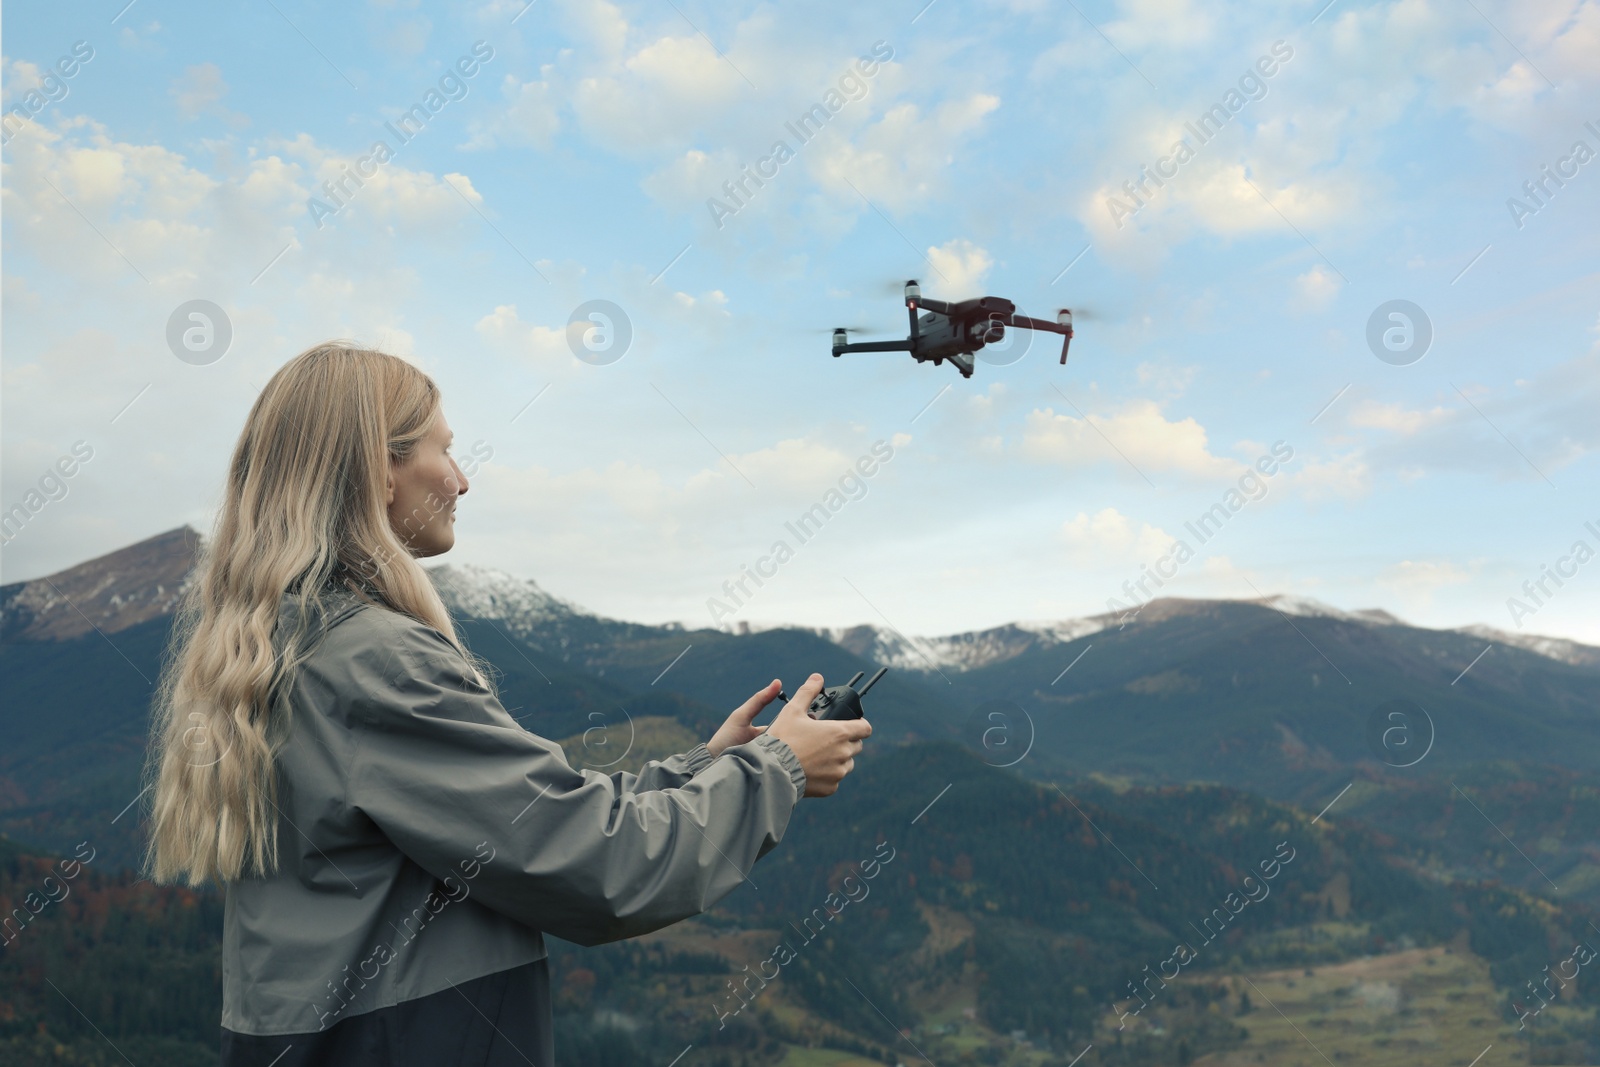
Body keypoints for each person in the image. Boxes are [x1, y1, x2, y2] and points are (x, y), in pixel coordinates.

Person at [139, 341, 874, 1066]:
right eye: (444, 450)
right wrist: (776, 769)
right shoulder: (375, 660)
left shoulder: (285, 644)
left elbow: (526, 817)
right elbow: (600, 866)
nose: (462, 480)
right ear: (378, 471)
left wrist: (707, 766)